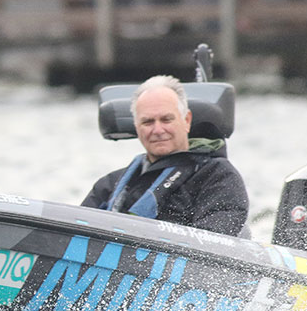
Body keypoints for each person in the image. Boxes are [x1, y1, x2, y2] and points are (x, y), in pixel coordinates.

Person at [81, 75, 249, 237]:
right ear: (136, 126)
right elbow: (77, 232)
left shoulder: (219, 176)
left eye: (166, 120)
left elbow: (214, 241)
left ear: (187, 120)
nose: (158, 130)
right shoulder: (108, 185)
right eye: (148, 122)